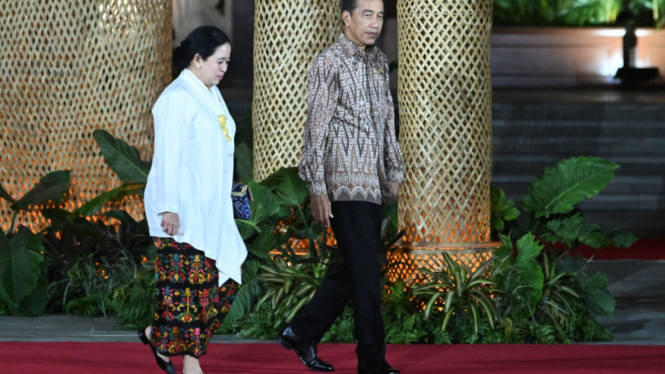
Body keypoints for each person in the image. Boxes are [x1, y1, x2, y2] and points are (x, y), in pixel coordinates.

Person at [276, 1, 403, 373]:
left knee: (353, 267)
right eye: (367, 14)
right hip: (344, 183)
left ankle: (301, 332)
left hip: (373, 183)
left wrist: (394, 167)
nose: (375, 22)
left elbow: (386, 118)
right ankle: (371, 362)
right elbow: (316, 127)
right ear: (346, 18)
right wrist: (317, 185)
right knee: (365, 274)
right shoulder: (328, 62)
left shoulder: (378, 62)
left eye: (380, 15)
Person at [139, 26, 247, 374]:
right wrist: (169, 206)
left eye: (228, 62)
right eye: (219, 61)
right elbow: (166, 157)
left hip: (210, 210)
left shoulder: (210, 93)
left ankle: (158, 333)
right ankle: (190, 363)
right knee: (190, 293)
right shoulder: (176, 98)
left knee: (223, 282)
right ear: (197, 59)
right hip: (180, 213)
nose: (224, 69)